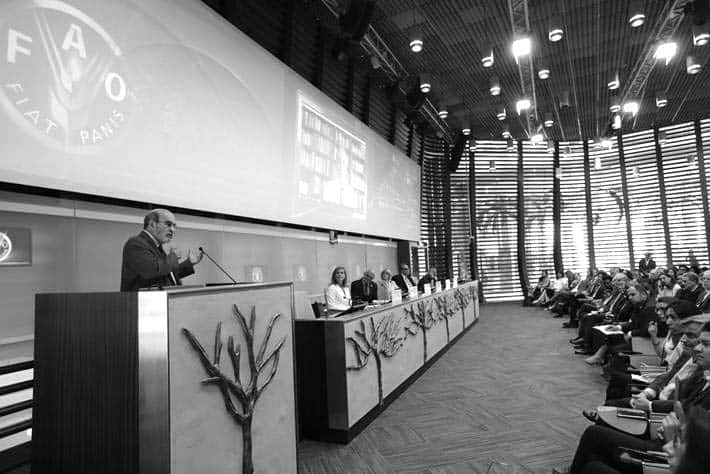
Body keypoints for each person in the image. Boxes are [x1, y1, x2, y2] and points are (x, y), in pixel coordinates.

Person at [120, 209, 203, 291]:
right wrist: (173, 257)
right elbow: (151, 271)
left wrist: (189, 263)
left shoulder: (157, 246)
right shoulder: (136, 243)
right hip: (140, 302)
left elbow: (166, 275)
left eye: (174, 226)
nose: (173, 229)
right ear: (152, 224)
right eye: (168, 224)